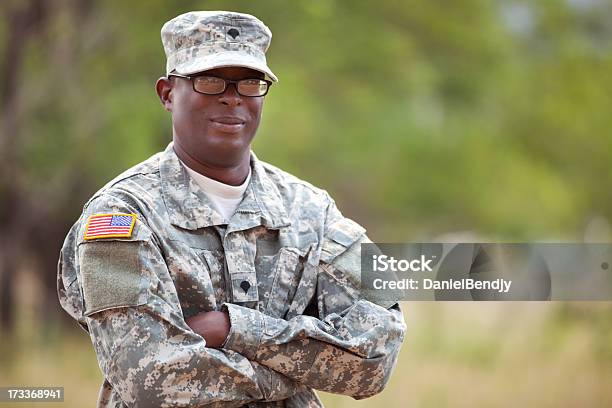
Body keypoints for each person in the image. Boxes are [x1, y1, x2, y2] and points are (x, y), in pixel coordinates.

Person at [57, 10, 406, 407]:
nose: (232, 96)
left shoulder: (313, 211)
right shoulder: (120, 216)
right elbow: (149, 374)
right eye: (209, 80)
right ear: (167, 94)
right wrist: (293, 374)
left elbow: (376, 355)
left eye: (250, 83)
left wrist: (233, 329)